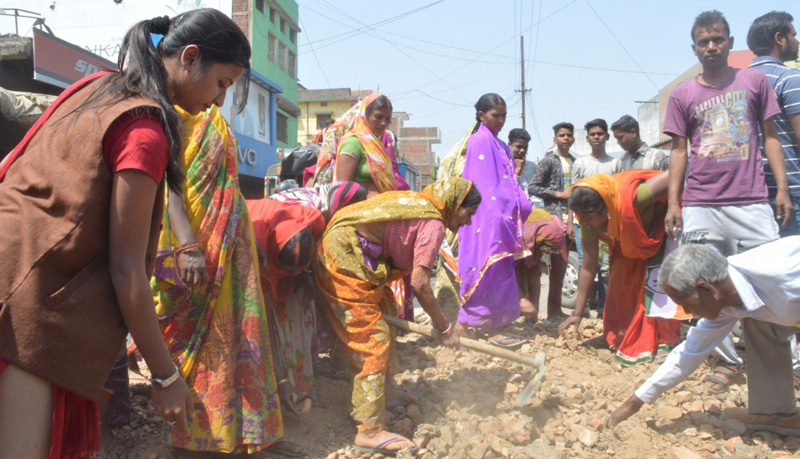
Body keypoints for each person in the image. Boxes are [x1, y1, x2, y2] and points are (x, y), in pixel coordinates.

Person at [0, 10, 247, 457]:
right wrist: (167, 377)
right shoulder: (144, 131)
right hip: (30, 313)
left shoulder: (93, 88)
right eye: (223, 84)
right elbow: (127, 269)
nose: (219, 102)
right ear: (190, 59)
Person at [663, 10, 793, 393]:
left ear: (730, 42)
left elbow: (771, 136)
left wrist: (780, 189)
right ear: (694, 48)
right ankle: (725, 363)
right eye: (704, 41)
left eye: (718, 38)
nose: (712, 46)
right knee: (700, 287)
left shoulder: (753, 81)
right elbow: (678, 150)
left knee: (770, 286)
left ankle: (775, 380)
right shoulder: (683, 94)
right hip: (702, 203)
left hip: (752, 200)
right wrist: (676, 202)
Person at [315, 177, 481, 455]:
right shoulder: (433, 223)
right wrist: (444, 327)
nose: (467, 222)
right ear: (454, 206)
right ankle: (369, 430)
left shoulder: (420, 206)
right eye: (468, 214)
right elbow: (420, 284)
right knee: (372, 338)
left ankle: (386, 389)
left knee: (386, 308)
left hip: (347, 248)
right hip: (340, 253)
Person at [609, 240, 800, 434]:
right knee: (757, 321)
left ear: (706, 289)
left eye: (686, 304)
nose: (686, 312)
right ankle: (776, 414)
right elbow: (691, 351)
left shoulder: (786, 278)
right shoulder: (725, 299)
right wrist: (637, 400)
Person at [559, 171, 684, 365]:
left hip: (660, 232)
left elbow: (672, 176)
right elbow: (588, 267)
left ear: (606, 209)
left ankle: (665, 340)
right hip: (629, 243)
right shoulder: (587, 222)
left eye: (589, 217)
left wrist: (673, 206)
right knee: (620, 281)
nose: (584, 223)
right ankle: (617, 334)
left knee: (657, 285)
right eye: (580, 218)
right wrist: (577, 314)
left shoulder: (633, 198)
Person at [456, 93, 532, 346]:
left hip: (504, 218)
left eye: (504, 116)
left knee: (502, 270)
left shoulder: (500, 145)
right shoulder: (478, 141)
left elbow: (509, 182)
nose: (500, 121)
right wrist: (497, 214)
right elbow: (482, 184)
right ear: (481, 116)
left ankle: (485, 324)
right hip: (487, 218)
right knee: (486, 268)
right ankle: (486, 327)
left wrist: (520, 206)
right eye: (495, 116)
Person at [247, 198, 326, 417]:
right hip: (256, 266)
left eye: (297, 270)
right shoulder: (255, 249)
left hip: (281, 257)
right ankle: (276, 384)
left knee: (298, 316)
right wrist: (281, 379)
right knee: (273, 325)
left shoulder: (313, 221)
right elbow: (264, 326)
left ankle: (301, 381)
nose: (293, 276)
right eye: (289, 270)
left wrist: (306, 274)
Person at [748, 11, 800, 237]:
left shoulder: (738, 82)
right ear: (779, 38)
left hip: (752, 194)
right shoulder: (789, 78)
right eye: (793, 35)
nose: (797, 41)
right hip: (791, 193)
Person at [568, 119, 622, 313]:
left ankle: (604, 308)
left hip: (609, 222)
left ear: (607, 137)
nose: (596, 137)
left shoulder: (615, 163)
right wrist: (570, 223)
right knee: (587, 263)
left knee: (607, 266)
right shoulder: (581, 163)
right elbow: (572, 195)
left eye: (600, 134)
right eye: (593, 134)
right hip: (585, 221)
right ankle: (582, 310)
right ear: (587, 138)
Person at [313, 93, 408, 195]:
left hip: (381, 206)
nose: (384, 123)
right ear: (364, 116)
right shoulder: (353, 143)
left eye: (387, 119)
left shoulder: (377, 145)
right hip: (360, 208)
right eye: (378, 117)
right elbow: (343, 191)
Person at [528, 122, 576, 320]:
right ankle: (545, 312)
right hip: (553, 219)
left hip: (573, 220)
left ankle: (554, 311)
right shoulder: (549, 161)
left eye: (569, 135)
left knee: (562, 267)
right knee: (547, 266)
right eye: (562, 135)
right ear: (555, 139)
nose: (566, 138)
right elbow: (533, 187)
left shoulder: (575, 162)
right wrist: (559, 194)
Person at [516, 209, 569, 323]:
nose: (547, 254)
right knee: (518, 276)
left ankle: (532, 317)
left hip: (537, 240)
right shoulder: (525, 233)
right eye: (547, 251)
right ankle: (513, 314)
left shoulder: (554, 231)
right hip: (521, 245)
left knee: (535, 278)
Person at [509, 127, 537, 202]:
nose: (522, 150)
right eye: (519, 147)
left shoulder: (532, 167)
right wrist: (517, 170)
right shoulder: (502, 164)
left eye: (525, 147)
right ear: (509, 145)